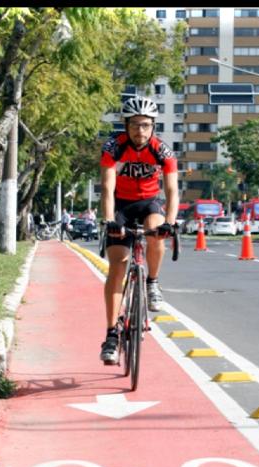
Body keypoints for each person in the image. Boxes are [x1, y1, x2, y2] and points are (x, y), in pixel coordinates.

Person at [99, 95, 179, 364]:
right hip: (121, 205)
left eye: (145, 125)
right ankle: (111, 334)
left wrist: (170, 220)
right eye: (134, 125)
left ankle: (152, 282)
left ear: (153, 125)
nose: (140, 130)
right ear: (126, 125)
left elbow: (171, 189)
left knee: (157, 232)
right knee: (118, 265)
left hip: (149, 203)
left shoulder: (162, 151)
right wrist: (110, 218)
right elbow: (107, 187)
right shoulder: (113, 147)